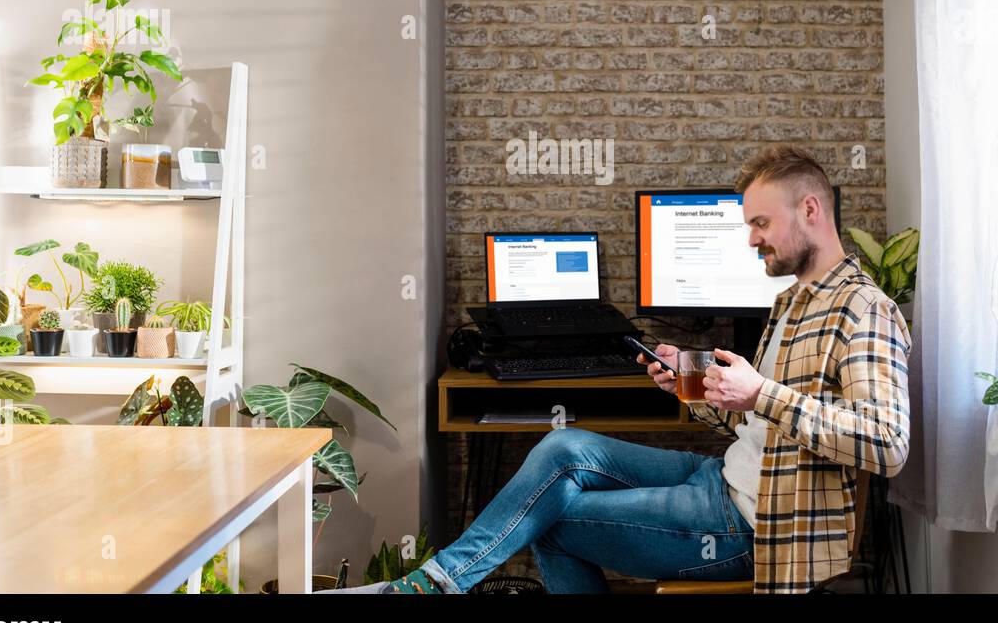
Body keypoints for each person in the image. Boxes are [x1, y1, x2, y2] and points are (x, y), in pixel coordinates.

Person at [328, 144, 911, 594]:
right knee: (563, 448)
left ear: (810, 209)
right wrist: (700, 388)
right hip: (723, 478)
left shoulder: (864, 310)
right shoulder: (792, 300)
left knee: (551, 520)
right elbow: (756, 423)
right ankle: (437, 584)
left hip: (756, 525)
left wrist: (760, 394)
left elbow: (887, 443)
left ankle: (432, 585)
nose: (751, 238)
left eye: (760, 223)